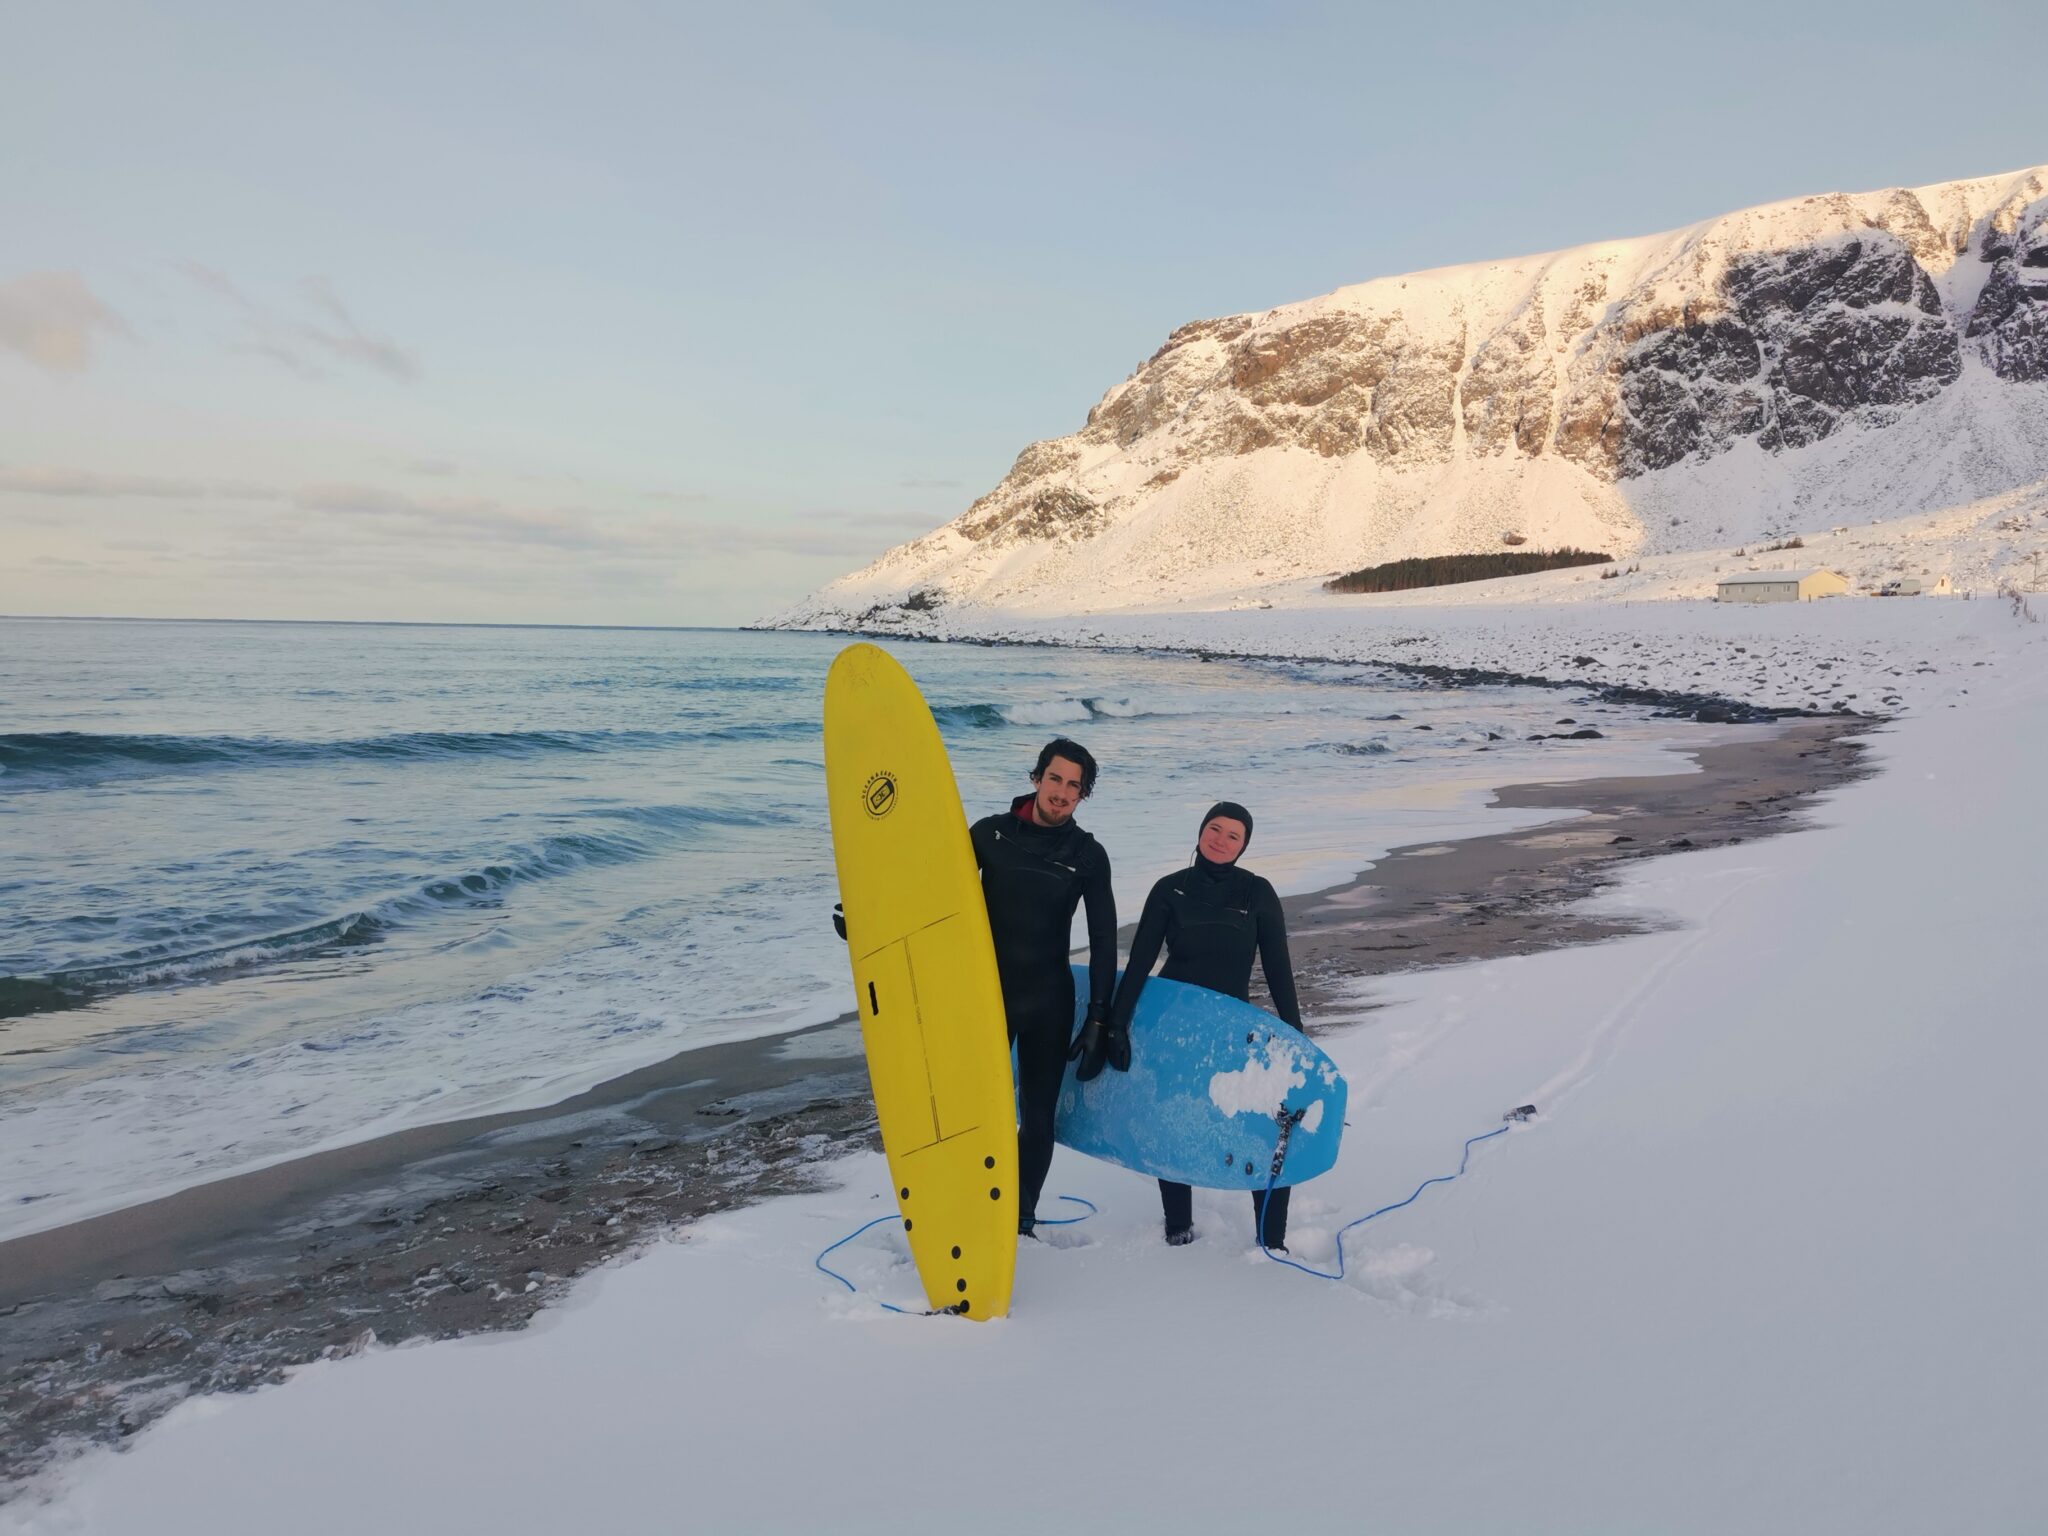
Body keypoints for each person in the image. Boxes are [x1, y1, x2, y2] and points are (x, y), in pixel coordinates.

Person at [1109, 800, 1302, 1250]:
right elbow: (1138, 964)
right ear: (1199, 831)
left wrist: (1295, 1032)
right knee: (1171, 1124)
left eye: (1233, 835)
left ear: (1244, 845)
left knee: (1259, 1128)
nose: (1221, 839)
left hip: (1232, 1027)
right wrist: (1117, 1024)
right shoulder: (1169, 890)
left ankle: (1270, 1239)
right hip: (1172, 1025)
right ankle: (1178, 1228)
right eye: (1214, 829)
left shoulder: (1258, 894)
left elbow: (1278, 968)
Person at [969, 737, 1117, 1237]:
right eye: (1055, 778)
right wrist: (869, 921)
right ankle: (965, 1206)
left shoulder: (1089, 855)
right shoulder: (988, 835)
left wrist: (1099, 1018)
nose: (1061, 792)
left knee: (1038, 1119)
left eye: (1074, 786)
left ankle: (1020, 1220)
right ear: (1036, 778)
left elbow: (1102, 941)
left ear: (1082, 796)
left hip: (1049, 1002)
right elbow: (934, 897)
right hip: (987, 998)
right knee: (973, 1113)